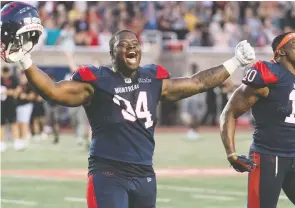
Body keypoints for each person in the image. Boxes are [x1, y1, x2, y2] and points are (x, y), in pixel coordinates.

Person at [0, 2, 255, 208]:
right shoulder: (97, 81)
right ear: (113, 54)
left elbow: (197, 82)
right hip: (108, 174)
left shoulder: (152, 78)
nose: (132, 47)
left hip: (145, 174)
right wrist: (26, 62)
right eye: (125, 45)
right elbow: (54, 92)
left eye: (135, 44)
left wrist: (234, 62)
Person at [220, 32, 295, 208]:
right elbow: (229, 112)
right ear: (280, 52)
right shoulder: (267, 75)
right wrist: (231, 154)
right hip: (269, 158)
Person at [1, 66, 20, 151]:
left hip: (11, 104)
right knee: (1, 124)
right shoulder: (0, 79)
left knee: (13, 123)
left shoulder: (13, 79)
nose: (6, 74)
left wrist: (7, 92)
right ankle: (1, 143)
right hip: (2, 104)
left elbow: (17, 90)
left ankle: (16, 141)